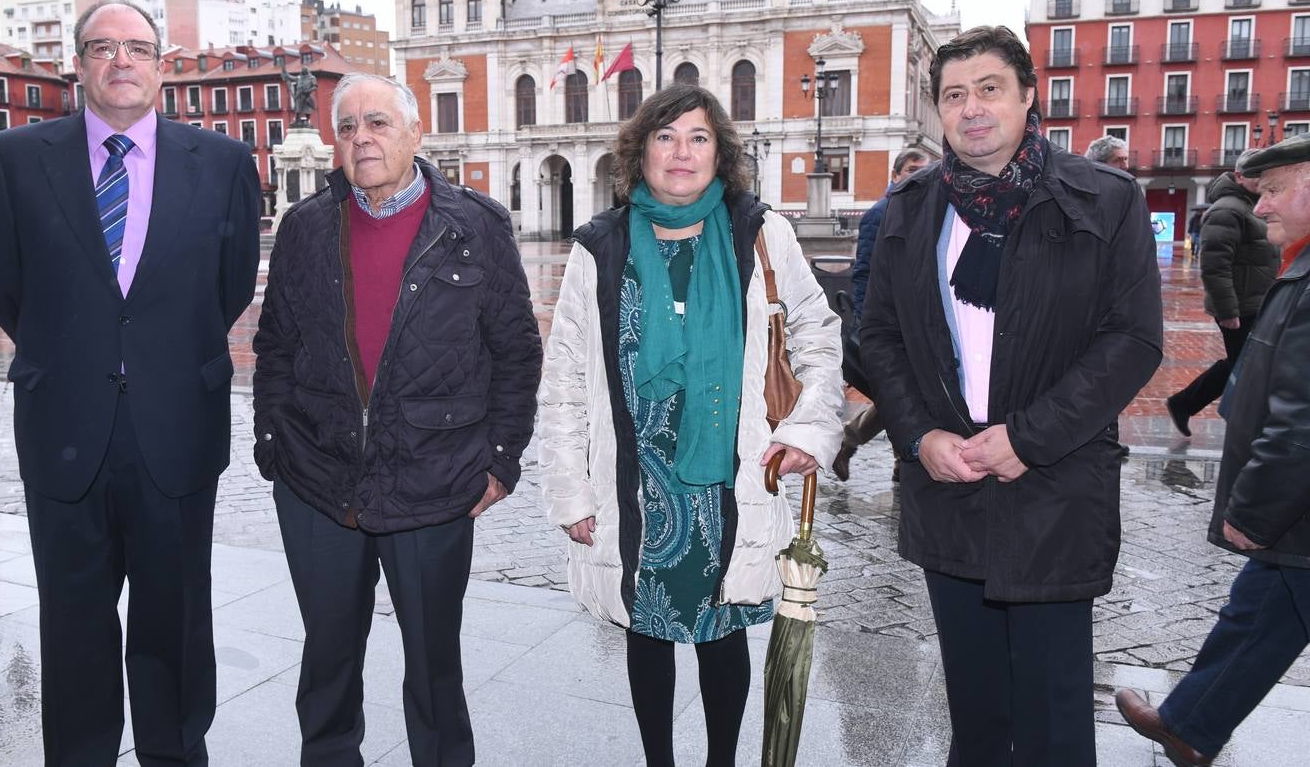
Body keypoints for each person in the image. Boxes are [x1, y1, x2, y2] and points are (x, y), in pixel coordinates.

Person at [858, 25, 1163, 766]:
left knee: (1057, 720)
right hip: (949, 486)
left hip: (1055, 489)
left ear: (1029, 95)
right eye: (954, 95)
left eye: (989, 88)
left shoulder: (1104, 198)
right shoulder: (909, 208)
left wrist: (1028, 438)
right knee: (976, 711)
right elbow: (879, 336)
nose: (972, 109)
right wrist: (919, 436)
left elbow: (1133, 340)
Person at [0, 0, 262, 765]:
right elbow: (5, 286)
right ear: (79, 64)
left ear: (162, 65)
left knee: (175, 619)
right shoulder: (13, 159)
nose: (121, 62)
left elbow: (227, 290)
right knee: (72, 620)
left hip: (176, 426)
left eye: (137, 48)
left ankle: (173, 753)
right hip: (65, 424)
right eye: (104, 48)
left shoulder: (223, 164)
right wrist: (76, 351)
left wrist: (157, 353)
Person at [536, 83, 843, 766]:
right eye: (666, 137)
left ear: (720, 152)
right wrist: (570, 491)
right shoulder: (600, 248)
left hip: (726, 475)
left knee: (721, 629)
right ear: (639, 152)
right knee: (645, 630)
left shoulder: (759, 232)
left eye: (698, 138)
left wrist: (808, 428)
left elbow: (818, 333)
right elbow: (564, 381)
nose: (682, 152)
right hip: (633, 478)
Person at [252, 73, 541, 766]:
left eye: (378, 123)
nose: (362, 139)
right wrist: (273, 443)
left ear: (416, 133)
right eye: (347, 127)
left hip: (433, 484)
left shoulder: (474, 225)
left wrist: (501, 458)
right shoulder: (304, 228)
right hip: (318, 481)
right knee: (326, 663)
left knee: (434, 668)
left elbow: (517, 350)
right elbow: (276, 346)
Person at [1115, 133, 1310, 767]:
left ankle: (1191, 724)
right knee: (1261, 611)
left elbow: (1302, 424)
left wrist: (1254, 512)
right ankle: (1191, 725)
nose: (1263, 207)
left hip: (1294, 509)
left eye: (1276, 190)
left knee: (1265, 606)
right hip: (1298, 524)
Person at [832, 147, 931, 480]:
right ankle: (902, 459)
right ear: (895, 175)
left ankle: (852, 441)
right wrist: (865, 321)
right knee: (900, 390)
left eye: (923, 170)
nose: (918, 175)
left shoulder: (926, 209)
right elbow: (864, 271)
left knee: (902, 392)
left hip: (917, 322)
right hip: (888, 322)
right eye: (911, 169)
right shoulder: (880, 212)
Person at [1166, 151, 1278, 437]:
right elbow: (1215, 266)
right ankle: (1241, 423)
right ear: (1239, 176)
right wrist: (1228, 312)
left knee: (1244, 363)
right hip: (1239, 306)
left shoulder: (1251, 207)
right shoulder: (1228, 209)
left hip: (1254, 301)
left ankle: (1185, 403)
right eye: (1255, 174)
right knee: (1249, 367)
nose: (1261, 179)